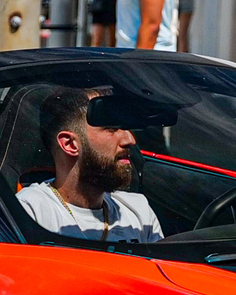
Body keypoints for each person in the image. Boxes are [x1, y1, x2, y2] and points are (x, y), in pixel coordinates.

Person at [14, 85, 162, 243]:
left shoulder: (139, 211)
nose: (130, 140)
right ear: (70, 144)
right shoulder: (30, 212)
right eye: (112, 128)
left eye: (126, 128)